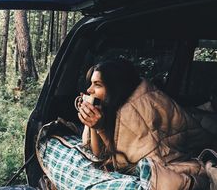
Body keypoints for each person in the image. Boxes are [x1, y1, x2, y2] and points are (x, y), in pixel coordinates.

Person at [77, 59, 214, 190]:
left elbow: (122, 164)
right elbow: (98, 154)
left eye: (97, 84)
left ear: (115, 87)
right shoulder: (110, 106)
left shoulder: (135, 108)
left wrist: (100, 128)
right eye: (90, 83)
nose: (89, 90)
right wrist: (94, 126)